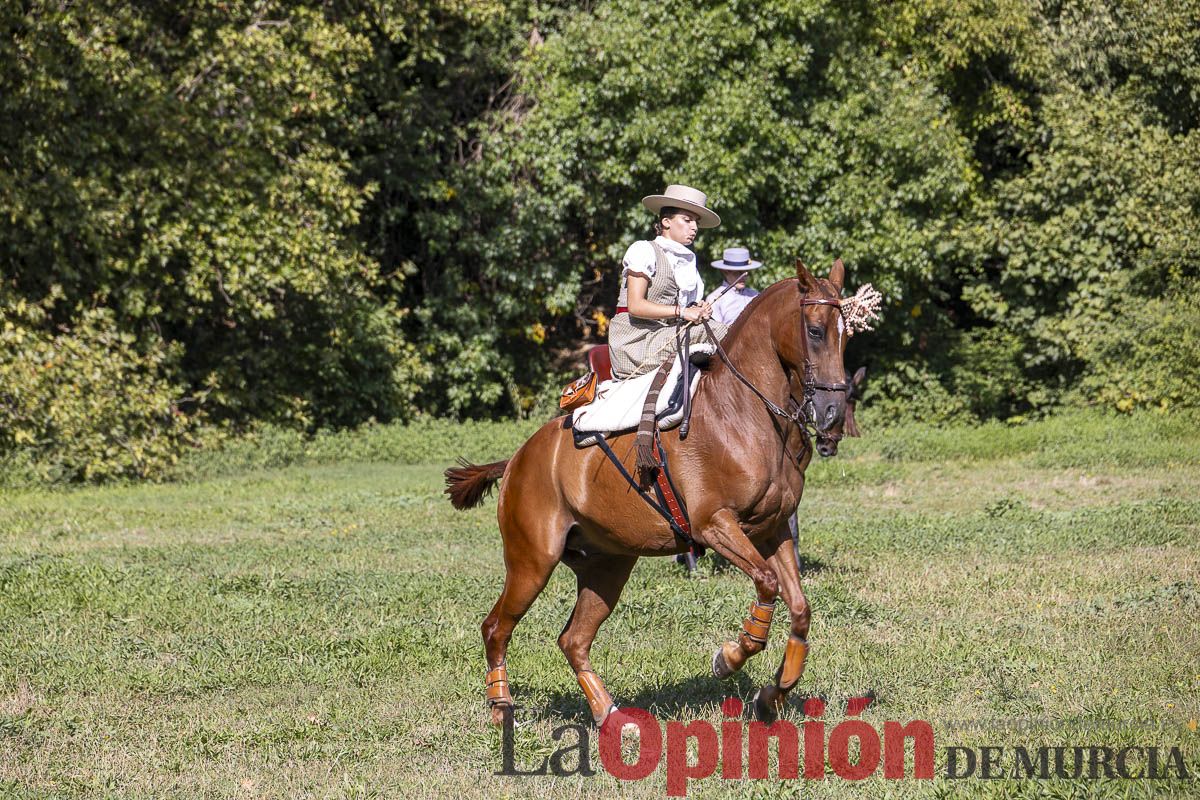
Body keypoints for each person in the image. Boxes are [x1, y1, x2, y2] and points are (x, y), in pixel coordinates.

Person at [608, 185, 728, 380]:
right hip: (635, 342)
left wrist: (699, 309)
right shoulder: (643, 250)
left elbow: (684, 311)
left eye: (696, 222)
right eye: (687, 220)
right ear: (666, 222)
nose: (694, 227)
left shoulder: (689, 264)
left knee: (716, 327)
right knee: (719, 331)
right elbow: (635, 306)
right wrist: (683, 312)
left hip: (667, 336)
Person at [706, 247, 764, 325]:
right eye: (739, 273)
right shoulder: (715, 299)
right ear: (725, 272)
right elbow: (716, 332)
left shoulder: (755, 295)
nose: (743, 277)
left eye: (746, 273)